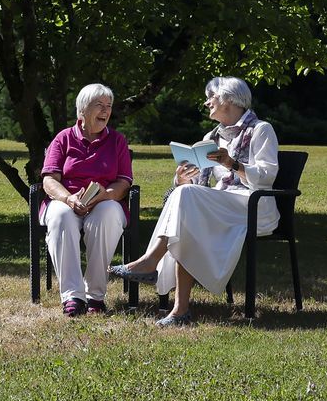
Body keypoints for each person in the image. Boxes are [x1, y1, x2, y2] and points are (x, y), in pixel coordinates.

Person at [110, 76, 277, 326]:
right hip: (222, 205)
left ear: (229, 100)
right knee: (185, 211)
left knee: (187, 206)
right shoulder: (212, 136)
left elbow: (267, 176)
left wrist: (232, 164)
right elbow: (200, 188)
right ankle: (180, 310)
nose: (207, 101)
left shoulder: (261, 130)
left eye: (212, 97)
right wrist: (181, 180)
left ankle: (150, 261)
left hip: (253, 205)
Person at [39, 82, 134, 316]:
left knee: (107, 216)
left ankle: (95, 296)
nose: (105, 111)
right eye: (98, 105)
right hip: (67, 200)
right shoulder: (63, 139)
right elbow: (49, 180)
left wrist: (105, 196)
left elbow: (123, 182)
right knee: (61, 218)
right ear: (82, 110)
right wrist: (69, 199)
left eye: (108, 106)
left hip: (104, 200)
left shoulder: (117, 141)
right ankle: (73, 296)